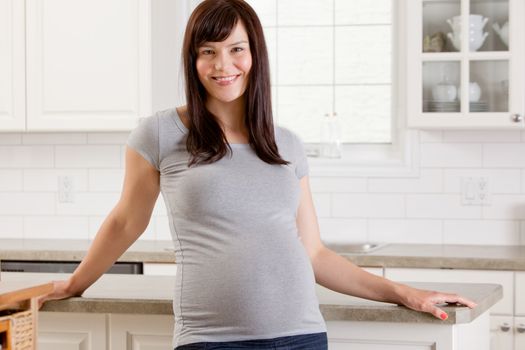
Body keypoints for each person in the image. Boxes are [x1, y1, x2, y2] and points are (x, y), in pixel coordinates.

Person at [39, 1, 477, 349]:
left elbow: (315, 255)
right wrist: (76, 282)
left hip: (301, 336)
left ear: (255, 54)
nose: (222, 64)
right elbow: (125, 222)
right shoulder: (159, 133)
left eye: (236, 49)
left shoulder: (286, 144)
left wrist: (407, 293)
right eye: (207, 51)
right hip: (209, 340)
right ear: (192, 60)